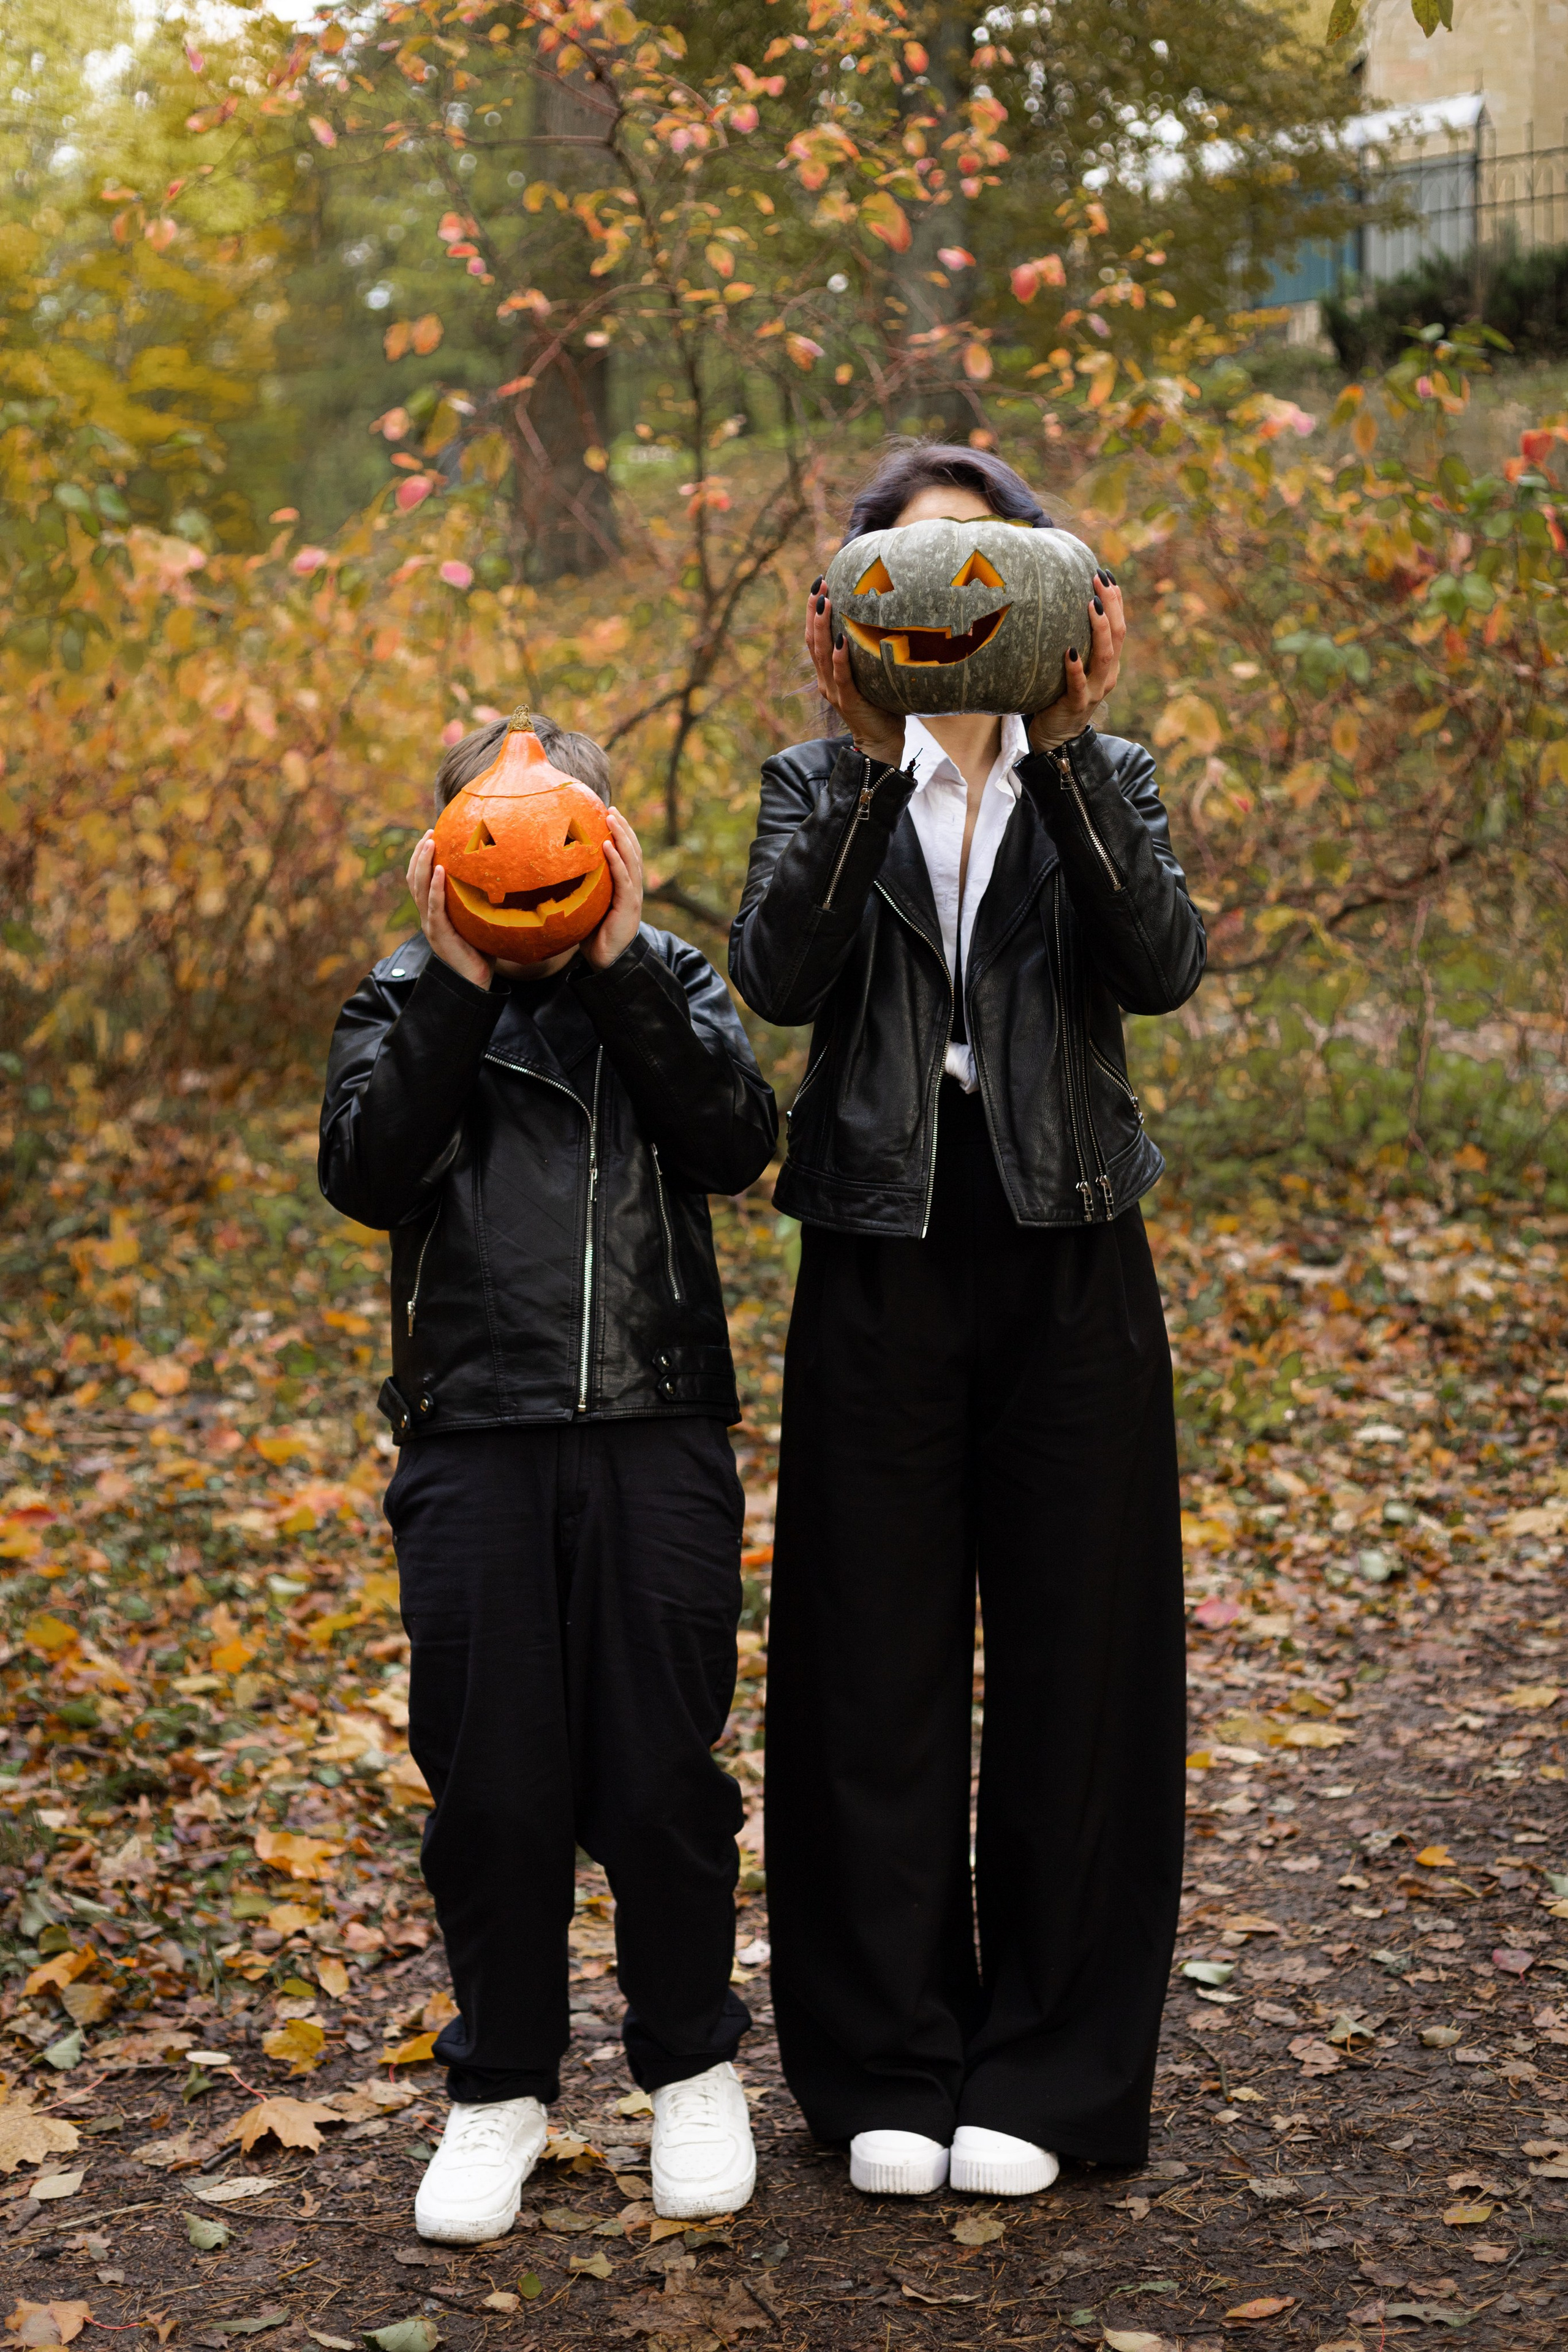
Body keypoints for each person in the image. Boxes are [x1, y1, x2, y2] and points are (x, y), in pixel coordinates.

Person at [729, 443, 1205, 2200]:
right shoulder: (813, 779)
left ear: (1045, 589)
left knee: (1085, 1661)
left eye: (981, 564)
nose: (950, 596)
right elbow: (775, 978)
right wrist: (864, 767)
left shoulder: (1111, 775)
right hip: (877, 1249)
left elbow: (1160, 964)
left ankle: (1058, 2074)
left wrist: (1072, 751)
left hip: (1071, 1248)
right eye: (912, 568)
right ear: (858, 607)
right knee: (871, 1665)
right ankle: (885, 2067)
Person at [319, 712, 777, 2242]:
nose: (520, 857)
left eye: (554, 827)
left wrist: (629, 960)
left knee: (660, 1775)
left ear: (609, 840)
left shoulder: (670, 985)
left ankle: (689, 2069)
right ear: (440, 854)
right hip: (472, 1432)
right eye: (487, 832)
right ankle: (499, 2090)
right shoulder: (394, 1000)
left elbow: (732, 1139)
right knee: (493, 1783)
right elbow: (368, 1171)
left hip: (653, 1424)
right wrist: (452, 984)